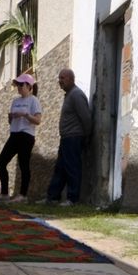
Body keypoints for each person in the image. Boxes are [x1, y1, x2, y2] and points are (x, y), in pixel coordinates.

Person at [45, 68, 91, 205]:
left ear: (71, 79)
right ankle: (53, 197)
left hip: (74, 138)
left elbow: (86, 118)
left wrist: (86, 137)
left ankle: (72, 198)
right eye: (59, 78)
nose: (60, 81)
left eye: (63, 78)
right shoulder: (69, 95)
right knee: (60, 169)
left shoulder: (76, 95)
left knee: (72, 168)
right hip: (66, 138)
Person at [0, 74, 42, 202]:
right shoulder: (15, 101)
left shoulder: (34, 101)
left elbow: (38, 120)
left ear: (29, 86)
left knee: (23, 165)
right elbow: (10, 122)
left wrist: (25, 114)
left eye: (21, 85)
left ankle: (23, 195)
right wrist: (11, 117)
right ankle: (4, 193)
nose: (19, 87)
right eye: (18, 85)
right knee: (1, 163)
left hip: (26, 135)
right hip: (14, 134)